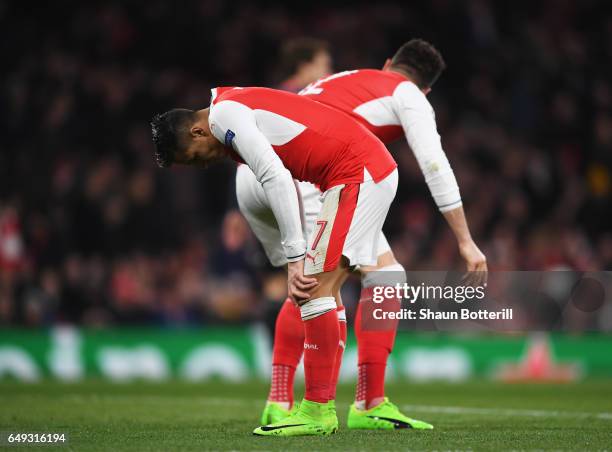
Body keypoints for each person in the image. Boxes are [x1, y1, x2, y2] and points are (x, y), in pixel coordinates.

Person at [237, 38, 487, 430]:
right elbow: (434, 165)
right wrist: (465, 240)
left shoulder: (345, 79)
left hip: (256, 172)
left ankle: (303, 400)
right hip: (306, 176)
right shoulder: (411, 97)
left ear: (388, 63)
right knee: (324, 284)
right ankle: (318, 407)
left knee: (384, 275)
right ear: (427, 89)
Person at [150, 85, 398, 436]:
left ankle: (321, 410)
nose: (201, 164)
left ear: (197, 130)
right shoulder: (226, 106)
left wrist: (296, 258)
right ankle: (324, 406)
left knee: (315, 286)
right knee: (322, 289)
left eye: (193, 156)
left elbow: (275, 175)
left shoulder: (224, 117)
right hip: (345, 177)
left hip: (357, 173)